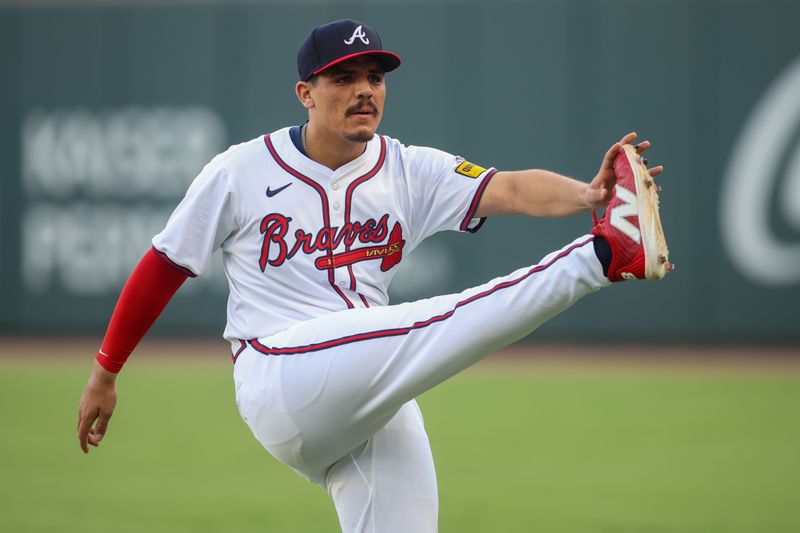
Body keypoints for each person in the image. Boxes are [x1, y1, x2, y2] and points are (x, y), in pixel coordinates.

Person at [77, 19, 670, 533]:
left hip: (363, 397)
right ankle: (602, 257)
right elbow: (164, 265)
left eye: (375, 77)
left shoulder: (409, 169)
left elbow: (510, 187)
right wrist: (105, 371)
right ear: (306, 93)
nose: (365, 90)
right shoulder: (240, 171)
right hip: (280, 372)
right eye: (344, 78)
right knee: (430, 324)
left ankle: (605, 239)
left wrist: (591, 193)